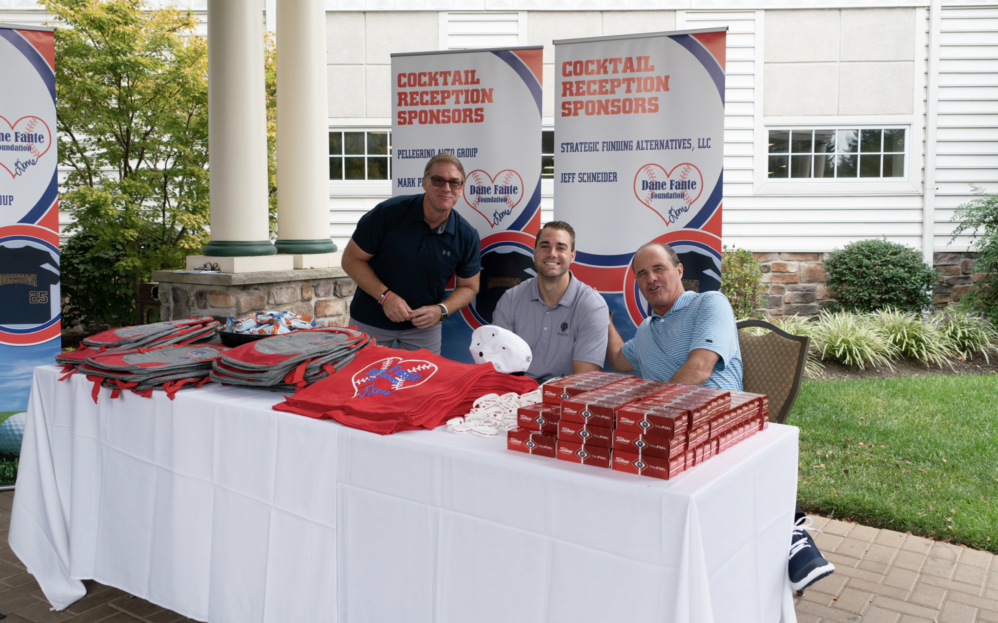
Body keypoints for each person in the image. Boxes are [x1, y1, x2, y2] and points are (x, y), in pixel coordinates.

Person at [606, 241, 835, 593]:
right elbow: (621, 359)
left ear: (679, 271)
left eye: (659, 269)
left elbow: (699, 370)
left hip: (721, 418)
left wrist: (650, 414)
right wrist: (601, 317)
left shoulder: (709, 303)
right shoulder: (646, 331)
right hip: (672, 431)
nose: (651, 278)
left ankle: (790, 536)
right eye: (642, 274)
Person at [342, 153, 481, 355]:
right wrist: (385, 297)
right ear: (424, 182)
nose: (446, 188)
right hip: (370, 322)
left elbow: (470, 286)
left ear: (462, 189)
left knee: (424, 385)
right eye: (438, 180)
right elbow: (350, 260)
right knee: (362, 383)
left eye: (454, 183)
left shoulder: (466, 235)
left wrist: (441, 310)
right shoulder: (387, 214)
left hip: (424, 329)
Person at [492, 221, 608, 382]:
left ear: (572, 256)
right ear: (534, 252)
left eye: (561, 247)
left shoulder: (592, 306)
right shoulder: (510, 299)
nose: (552, 254)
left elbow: (583, 381)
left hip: (566, 400)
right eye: (545, 246)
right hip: (516, 395)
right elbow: (500, 367)